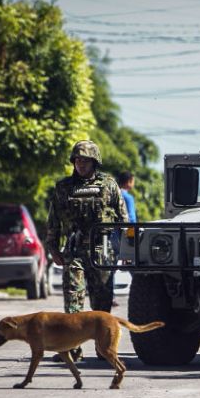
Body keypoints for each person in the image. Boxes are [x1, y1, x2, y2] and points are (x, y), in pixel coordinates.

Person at [45, 140, 129, 362]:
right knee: (73, 300)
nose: (81, 164)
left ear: (95, 162)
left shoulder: (109, 185)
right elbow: (53, 221)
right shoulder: (63, 187)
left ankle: (104, 349)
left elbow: (123, 220)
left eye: (86, 160)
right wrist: (53, 247)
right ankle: (72, 350)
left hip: (102, 251)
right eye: (78, 160)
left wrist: (126, 251)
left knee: (102, 304)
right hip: (73, 251)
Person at [111, 171, 137, 307]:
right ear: (128, 182)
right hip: (125, 235)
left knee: (111, 268)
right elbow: (131, 219)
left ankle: (111, 297)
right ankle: (138, 293)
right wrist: (131, 240)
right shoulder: (127, 197)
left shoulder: (112, 195)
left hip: (111, 236)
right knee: (134, 267)